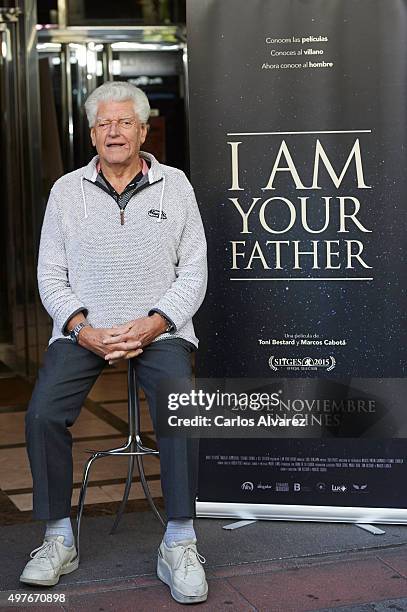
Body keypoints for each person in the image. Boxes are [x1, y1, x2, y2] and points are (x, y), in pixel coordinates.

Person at [20, 81, 208, 605]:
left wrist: (154, 322)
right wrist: (82, 328)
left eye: (125, 122)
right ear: (93, 133)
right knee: (41, 415)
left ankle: (180, 542)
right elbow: (49, 275)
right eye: (105, 123)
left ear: (144, 130)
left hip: (160, 329)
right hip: (85, 332)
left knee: (179, 404)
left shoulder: (176, 186)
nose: (115, 132)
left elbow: (194, 272)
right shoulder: (65, 190)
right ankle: (58, 537)